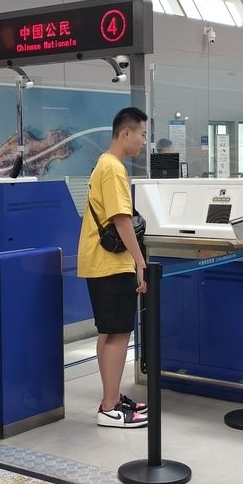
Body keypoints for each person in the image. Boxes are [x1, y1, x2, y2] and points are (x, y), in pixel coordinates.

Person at [77, 107, 149, 429]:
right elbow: (122, 220)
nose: (144, 141)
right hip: (111, 264)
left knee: (108, 333)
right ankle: (109, 407)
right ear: (126, 133)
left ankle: (112, 397)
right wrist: (140, 262)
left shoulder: (102, 164)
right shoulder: (114, 169)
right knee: (119, 334)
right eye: (142, 134)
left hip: (97, 261)